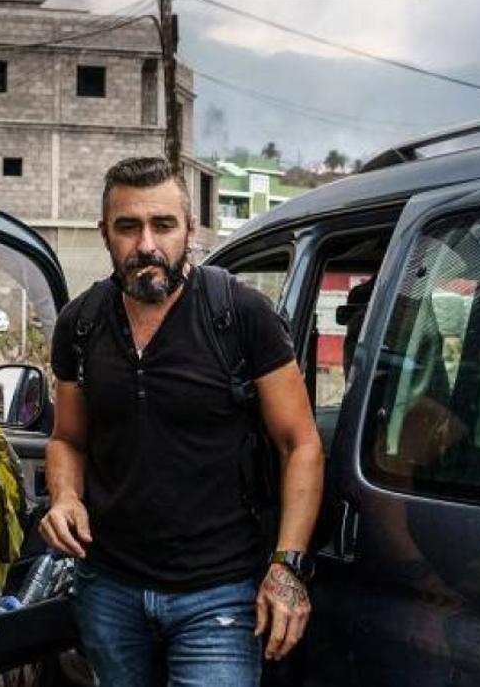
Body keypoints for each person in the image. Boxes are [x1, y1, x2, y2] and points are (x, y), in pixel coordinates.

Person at [39, 157, 325, 686]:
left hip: (219, 596)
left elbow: (299, 443)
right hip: (108, 588)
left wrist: (287, 567)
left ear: (189, 231)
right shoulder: (80, 324)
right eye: (128, 226)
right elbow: (67, 440)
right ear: (105, 233)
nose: (146, 244)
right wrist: (65, 498)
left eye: (163, 226)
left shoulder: (240, 314)